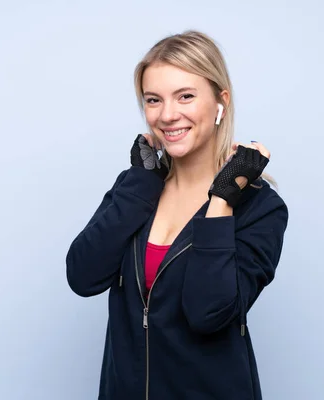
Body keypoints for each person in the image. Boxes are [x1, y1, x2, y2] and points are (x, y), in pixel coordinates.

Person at [66, 30, 288, 400]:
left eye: (185, 96)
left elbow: (208, 313)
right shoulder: (136, 188)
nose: (168, 115)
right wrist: (140, 184)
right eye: (153, 100)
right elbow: (82, 275)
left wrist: (222, 199)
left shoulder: (260, 207)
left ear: (221, 102)